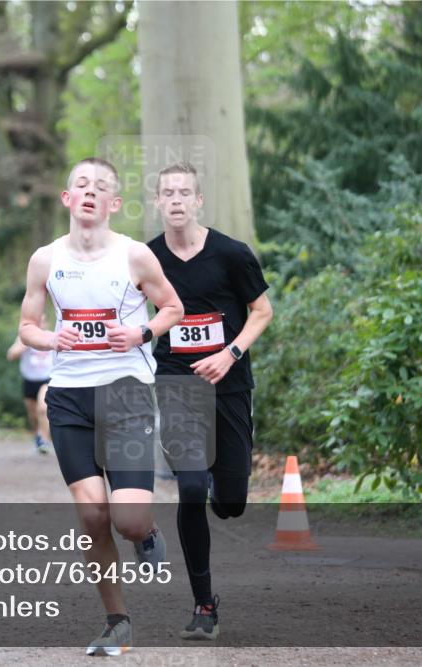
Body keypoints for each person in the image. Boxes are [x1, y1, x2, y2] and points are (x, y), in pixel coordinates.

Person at [18, 157, 184, 656]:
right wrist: (51, 338)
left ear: (114, 203)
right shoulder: (45, 259)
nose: (90, 192)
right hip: (69, 397)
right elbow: (27, 326)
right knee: (92, 514)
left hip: (126, 391)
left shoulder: (135, 256)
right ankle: (117, 622)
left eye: (101, 187)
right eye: (82, 185)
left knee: (127, 519)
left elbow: (173, 308)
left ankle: (146, 533)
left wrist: (141, 332)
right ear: (68, 198)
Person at [149, 162, 273, 641]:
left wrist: (230, 353)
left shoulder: (231, 254)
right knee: (190, 487)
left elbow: (262, 311)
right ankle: (204, 604)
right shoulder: (146, 259)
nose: (176, 200)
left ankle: (226, 485)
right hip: (177, 383)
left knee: (232, 502)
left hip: (230, 384)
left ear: (199, 200)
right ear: (158, 202)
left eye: (184, 192)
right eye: (168, 193)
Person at [6, 313, 54, 454]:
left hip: (47, 379)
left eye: (42, 322)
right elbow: (11, 355)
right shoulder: (25, 338)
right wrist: (24, 345)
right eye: (37, 322)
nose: (40, 324)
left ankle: (44, 440)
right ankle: (38, 434)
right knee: (33, 415)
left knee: (43, 408)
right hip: (29, 380)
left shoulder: (51, 336)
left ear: (46, 324)